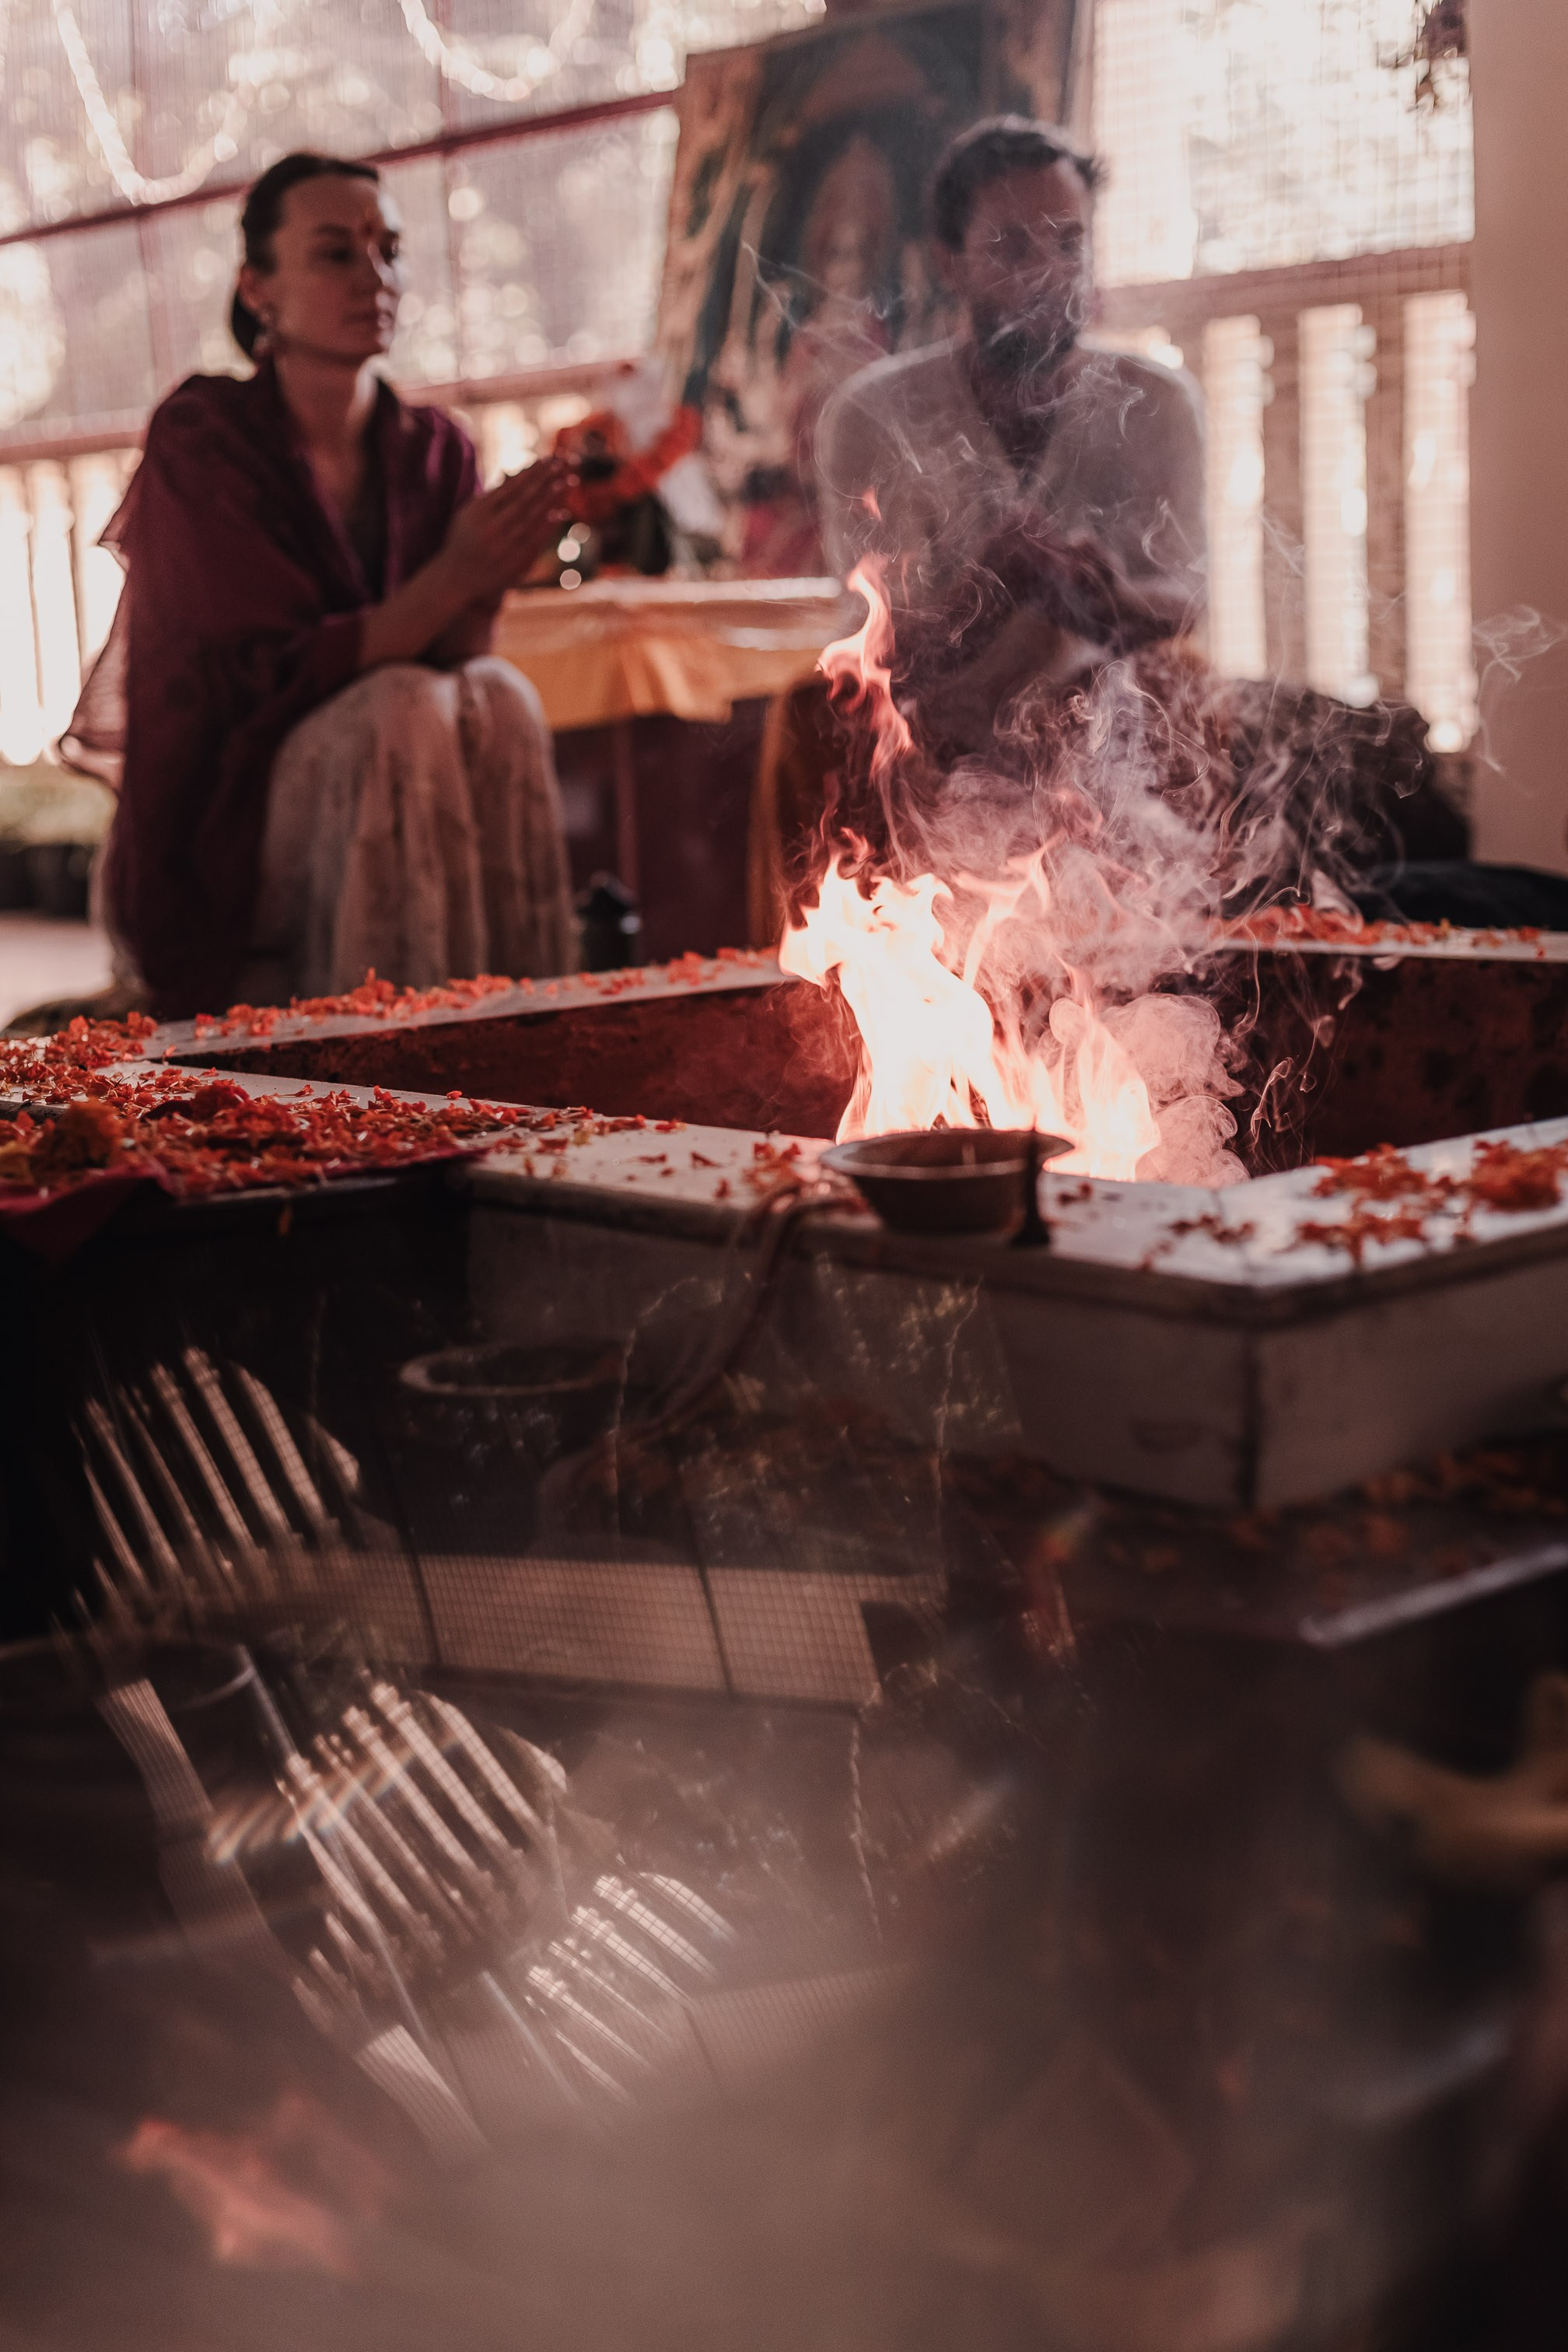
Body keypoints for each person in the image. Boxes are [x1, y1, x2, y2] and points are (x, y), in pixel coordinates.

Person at [68, 152, 576, 1020]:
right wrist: (455, 570)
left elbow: (454, 652)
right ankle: (390, 1073)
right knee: (400, 708)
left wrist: (491, 572)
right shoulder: (205, 437)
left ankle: (523, 1037)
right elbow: (276, 676)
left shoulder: (436, 447)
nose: (375, 276)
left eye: (389, 249)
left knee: (501, 695)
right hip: (227, 803)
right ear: (258, 289)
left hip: (386, 754)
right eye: (336, 252)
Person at [815, 115, 1207, 759]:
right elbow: (868, 653)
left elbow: (1186, 600)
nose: (1049, 277)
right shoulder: (871, 415)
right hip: (927, 756)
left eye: (1069, 246)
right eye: (1012, 248)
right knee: (801, 729)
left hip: (1111, 752)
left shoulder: (1159, 402)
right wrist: (988, 591)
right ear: (951, 264)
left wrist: (1109, 599)